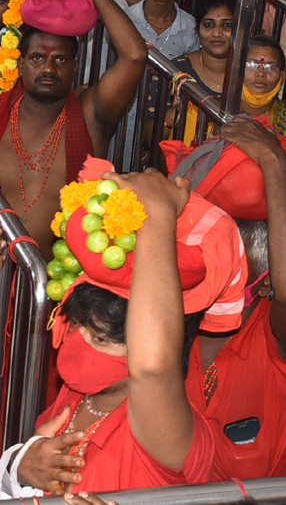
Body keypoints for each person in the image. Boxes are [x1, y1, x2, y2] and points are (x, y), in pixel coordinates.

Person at [19, 168, 230, 493]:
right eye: (75, 325)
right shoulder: (78, 395)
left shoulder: (163, 427)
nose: (78, 343)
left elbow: (154, 370)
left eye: (102, 338)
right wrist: (22, 463)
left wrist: (157, 213)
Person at [0, 0, 147, 259]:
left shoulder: (91, 116)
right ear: (20, 64)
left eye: (60, 59)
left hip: (54, 282)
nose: (49, 68)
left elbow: (135, 55)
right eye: (37, 58)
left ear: (75, 68)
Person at [183, 119, 286, 479]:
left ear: (265, 284)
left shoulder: (280, 340)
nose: (214, 288)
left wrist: (273, 160)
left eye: (232, 277)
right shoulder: (178, 319)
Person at [170, 0, 235, 146]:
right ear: (198, 30)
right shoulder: (177, 71)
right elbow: (148, 136)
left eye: (227, 25)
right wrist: (172, 119)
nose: (217, 33)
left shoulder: (252, 73)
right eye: (208, 25)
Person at [240, 36, 286, 141]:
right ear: (237, 68)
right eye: (252, 65)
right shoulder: (216, 106)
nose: (261, 74)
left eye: (270, 67)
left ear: (282, 76)